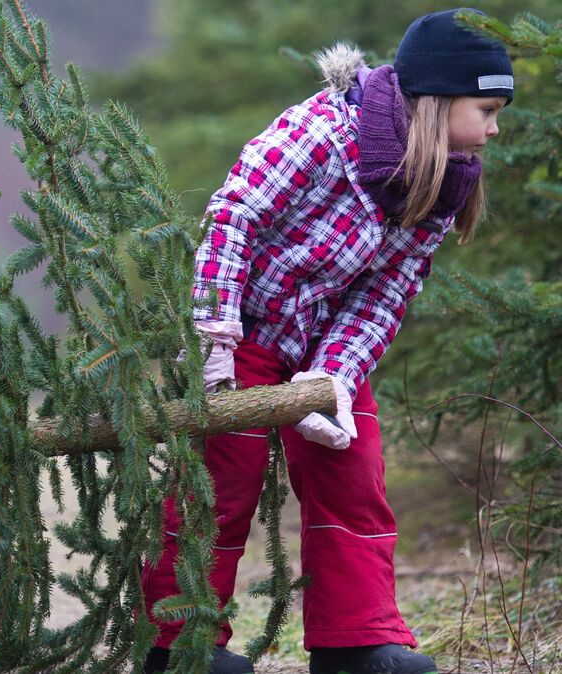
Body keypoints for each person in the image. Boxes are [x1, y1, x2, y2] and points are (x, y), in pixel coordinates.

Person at [141, 8, 513, 674]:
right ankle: (181, 642)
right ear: (439, 99)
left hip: (323, 349)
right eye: (486, 108)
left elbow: (384, 295)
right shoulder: (321, 130)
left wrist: (334, 379)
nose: (493, 127)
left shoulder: (442, 182)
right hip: (243, 331)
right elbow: (233, 213)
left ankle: (359, 642)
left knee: (354, 471)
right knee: (220, 480)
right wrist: (213, 334)